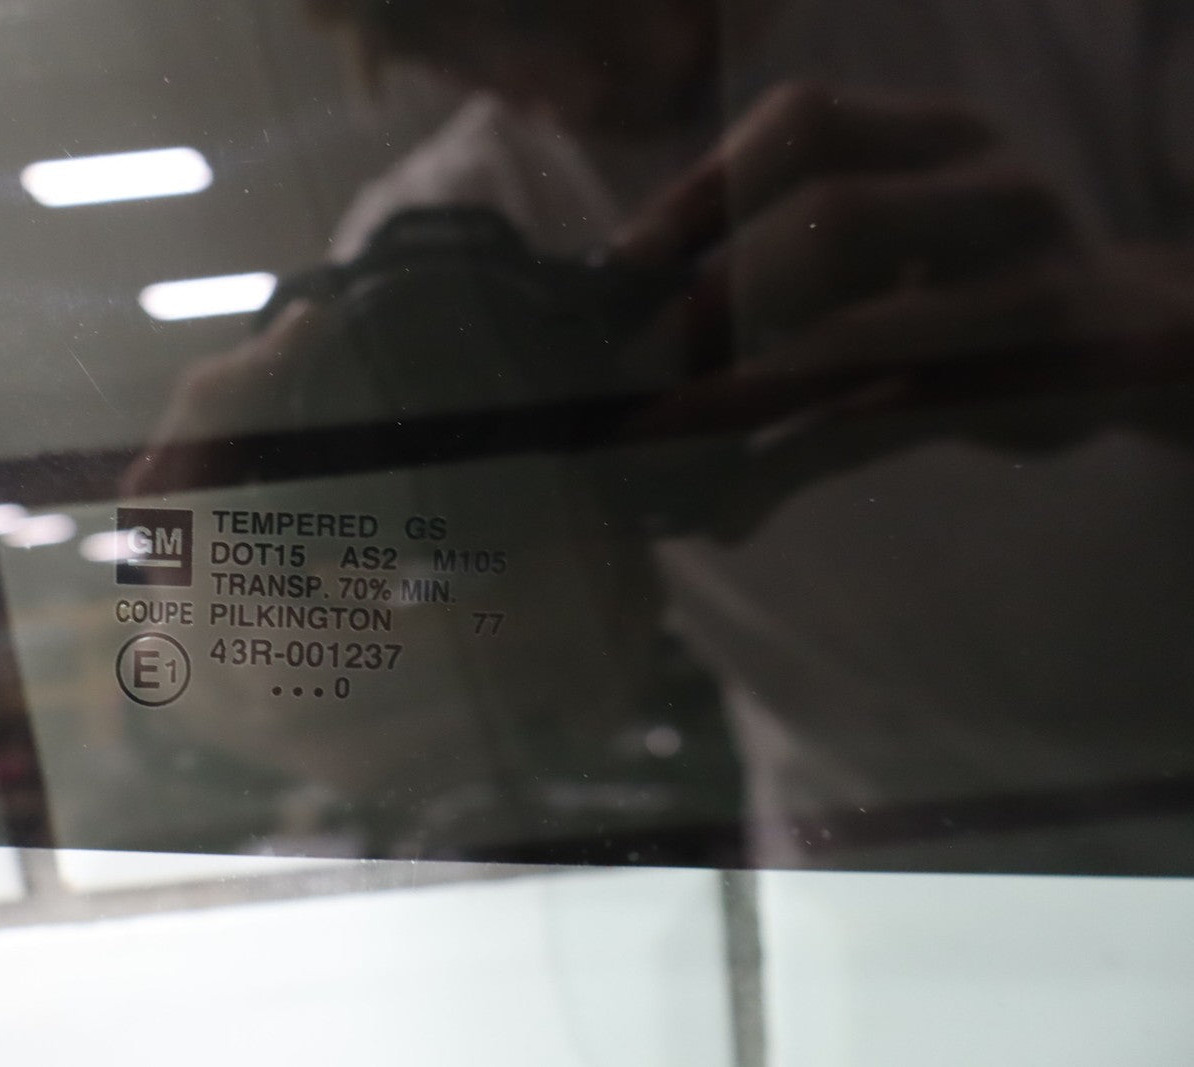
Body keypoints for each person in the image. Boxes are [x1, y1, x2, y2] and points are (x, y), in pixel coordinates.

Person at [135, 0, 1194, 871]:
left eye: (555, 12)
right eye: (447, 39)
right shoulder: (438, 256)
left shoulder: (1071, 24)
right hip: (869, 865)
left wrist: (1130, 328)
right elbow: (536, 659)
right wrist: (246, 652)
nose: (564, 87)